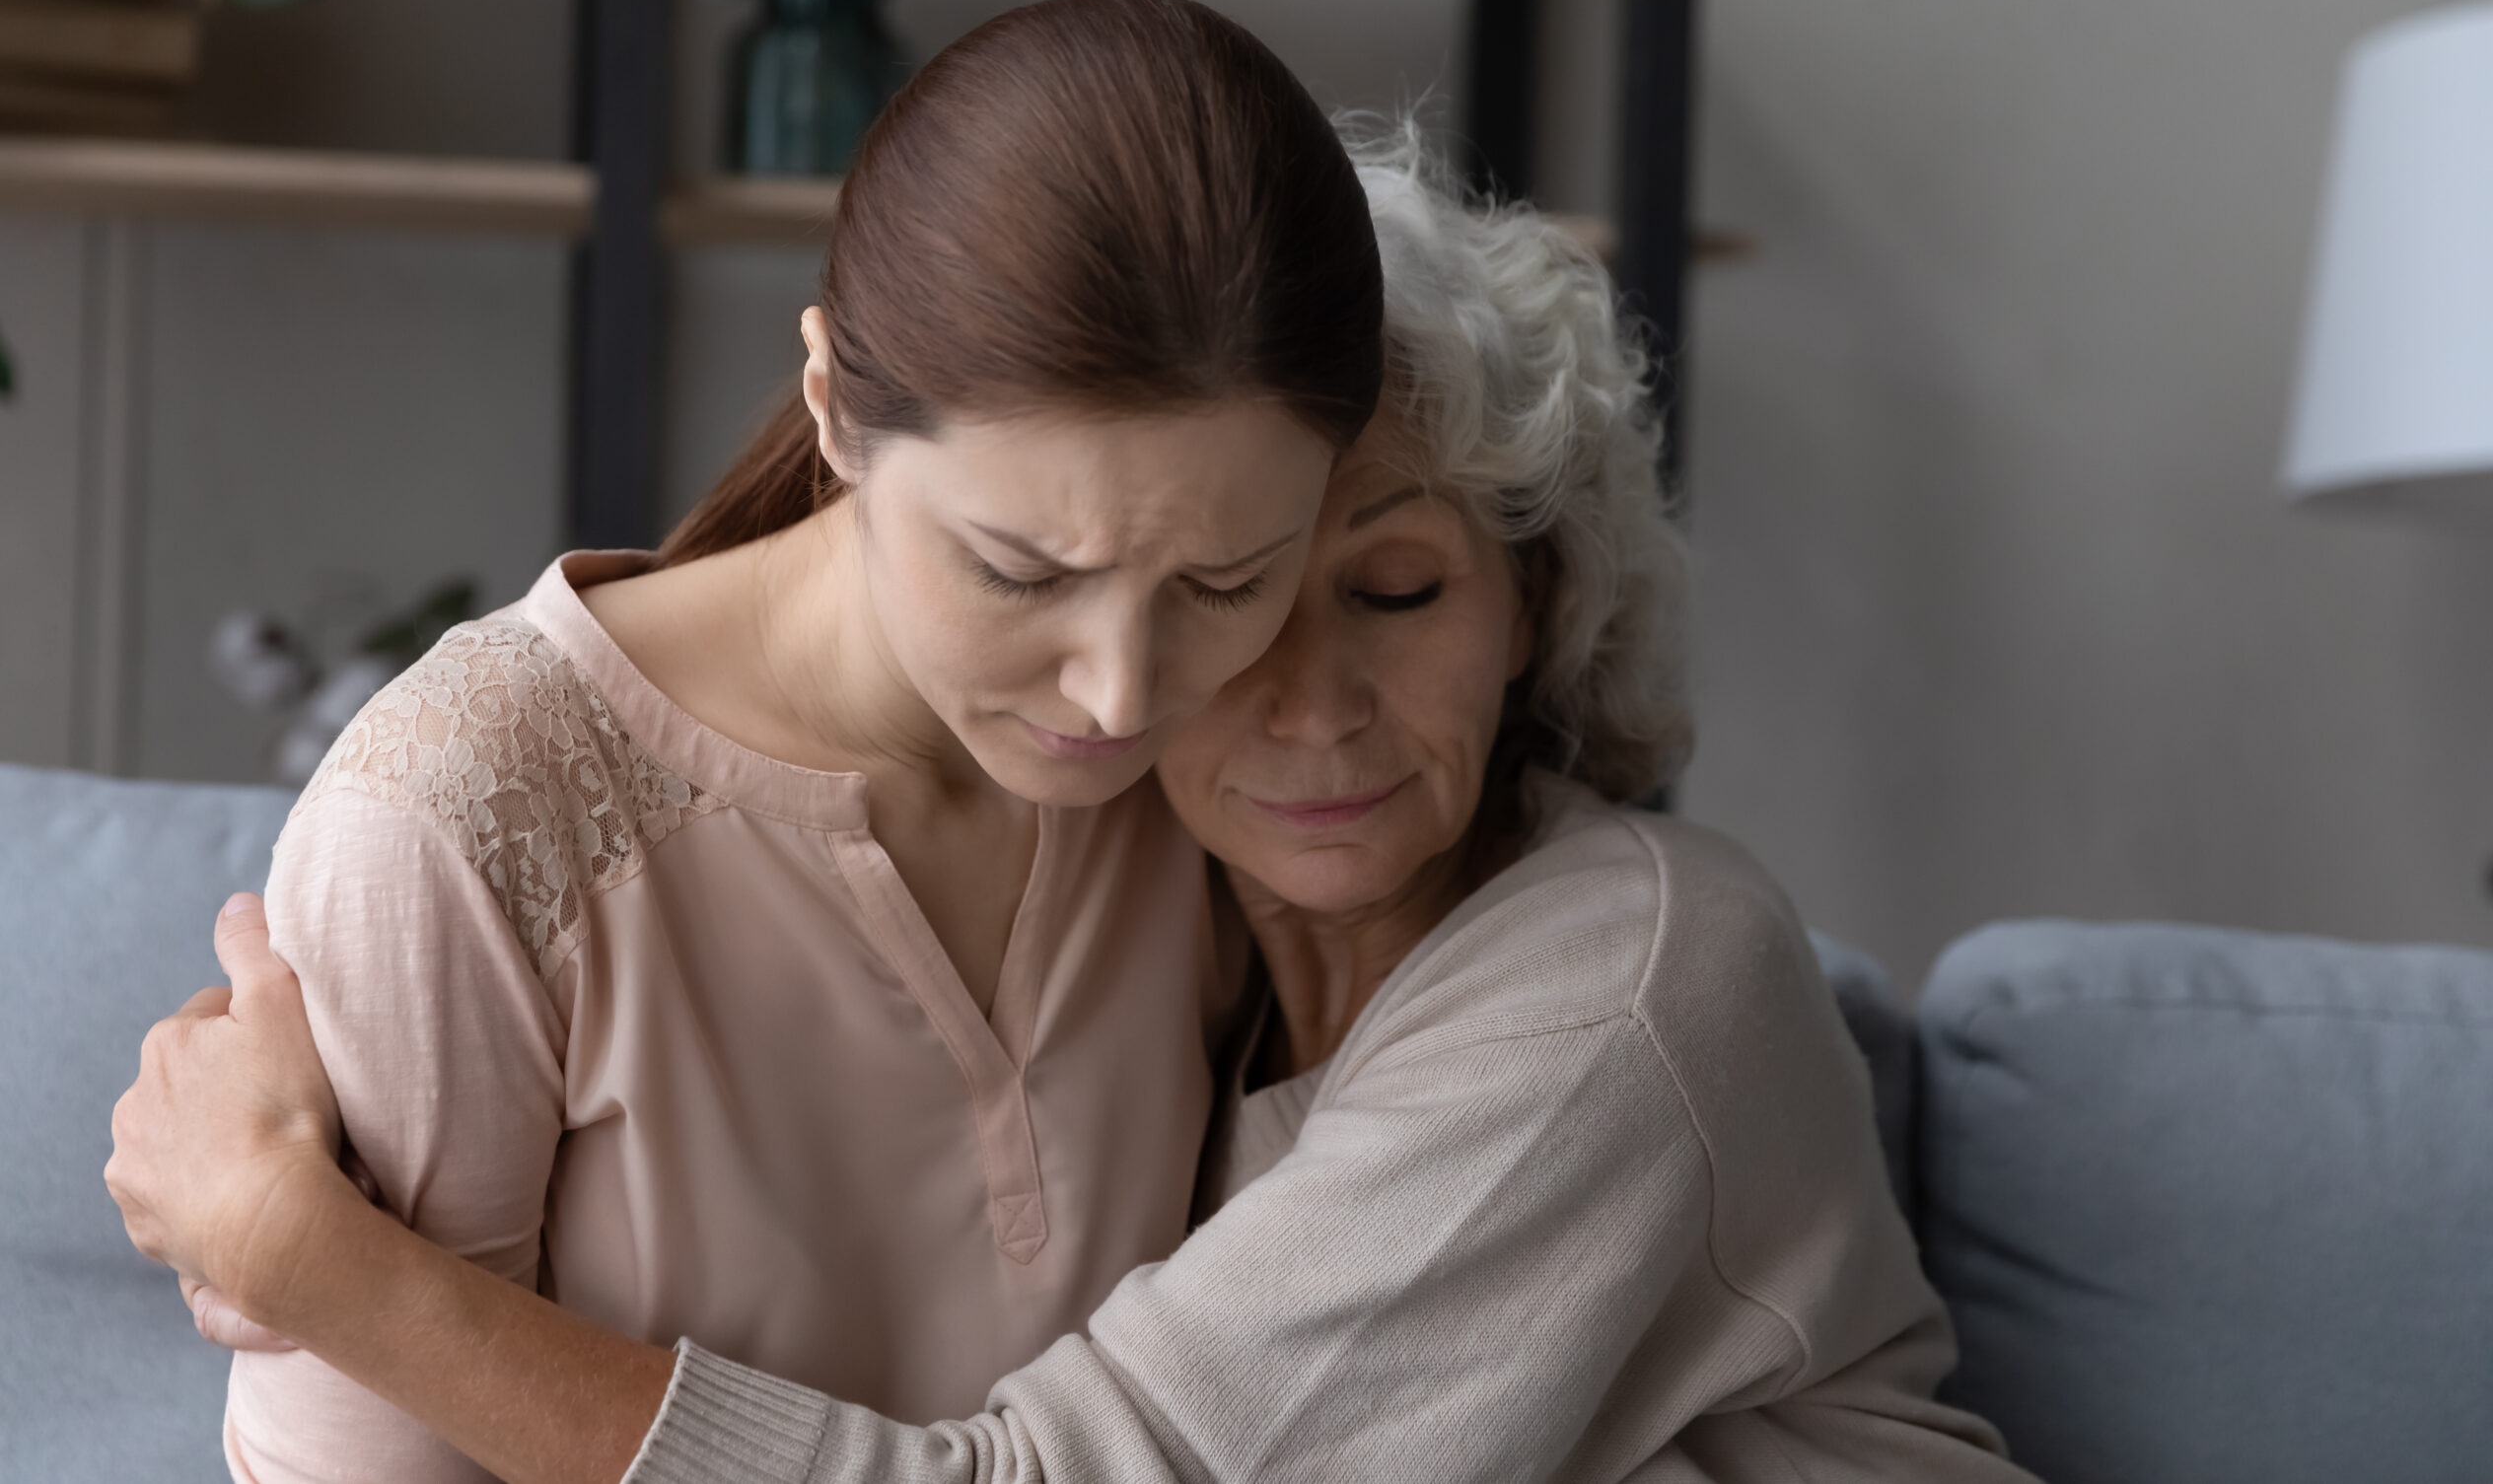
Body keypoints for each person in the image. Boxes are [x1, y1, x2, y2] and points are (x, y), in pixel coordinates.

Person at [110, 132, 2036, 1484]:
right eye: (1236, 605)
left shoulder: (1625, 975)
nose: (1304, 703)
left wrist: (323, 1261)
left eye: (1394, 588)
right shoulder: (1147, 918)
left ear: (1541, 595)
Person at [136, 0, 1388, 1484]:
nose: (1121, 692)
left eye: (1224, 581)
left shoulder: (1240, 765)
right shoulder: (462, 825)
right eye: (1020, 573)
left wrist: (299, 1246)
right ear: (835, 404)